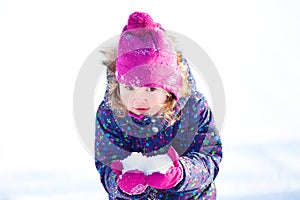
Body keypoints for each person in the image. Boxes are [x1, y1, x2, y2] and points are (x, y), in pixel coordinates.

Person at [95, 11, 222, 200]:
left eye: (150, 90)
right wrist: (121, 183)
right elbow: (107, 164)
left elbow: (209, 159)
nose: (138, 99)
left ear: (169, 88)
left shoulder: (194, 109)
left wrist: (181, 174)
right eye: (129, 87)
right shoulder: (110, 115)